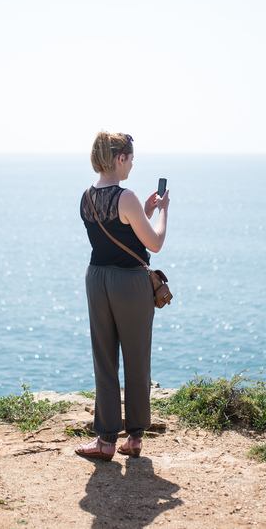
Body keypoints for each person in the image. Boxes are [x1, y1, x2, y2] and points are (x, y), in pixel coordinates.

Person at [75, 131, 170, 461]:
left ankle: (104, 441)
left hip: (96, 278)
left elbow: (114, 230)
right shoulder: (125, 196)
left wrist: (140, 211)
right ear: (119, 158)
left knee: (104, 357)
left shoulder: (86, 197)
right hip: (129, 283)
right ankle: (134, 438)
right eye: (130, 158)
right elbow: (154, 243)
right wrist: (162, 212)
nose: (131, 164)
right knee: (136, 356)